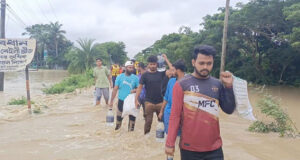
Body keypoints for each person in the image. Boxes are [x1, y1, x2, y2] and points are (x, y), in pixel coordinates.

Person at [165, 45, 236, 160]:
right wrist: (170, 143)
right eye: (201, 63)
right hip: (189, 149)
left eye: (209, 63)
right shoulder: (181, 85)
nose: (205, 67)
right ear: (193, 62)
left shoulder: (217, 84)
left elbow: (229, 110)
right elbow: (175, 116)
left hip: (215, 148)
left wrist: (228, 86)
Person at [135, 54, 172, 134]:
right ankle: (146, 137)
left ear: (157, 64)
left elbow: (172, 71)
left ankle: (163, 138)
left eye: (154, 64)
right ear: (148, 65)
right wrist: (136, 100)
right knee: (148, 122)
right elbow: (140, 87)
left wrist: (166, 59)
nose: (152, 66)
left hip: (160, 102)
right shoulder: (144, 75)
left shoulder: (162, 74)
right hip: (148, 102)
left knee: (162, 121)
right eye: (151, 64)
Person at [109, 61, 139, 131]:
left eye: (132, 68)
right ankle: (117, 134)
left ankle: (130, 136)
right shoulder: (119, 77)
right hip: (121, 100)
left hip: (132, 101)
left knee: (132, 121)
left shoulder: (135, 78)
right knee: (118, 120)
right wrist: (111, 101)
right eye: (129, 67)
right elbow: (115, 89)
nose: (131, 69)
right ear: (125, 68)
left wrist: (134, 90)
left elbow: (139, 89)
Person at [158, 59, 186, 136]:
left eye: (173, 70)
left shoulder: (188, 83)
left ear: (179, 70)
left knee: (181, 137)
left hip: (182, 116)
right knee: (169, 136)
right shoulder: (171, 81)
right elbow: (166, 97)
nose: (171, 72)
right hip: (168, 113)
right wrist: (161, 112)